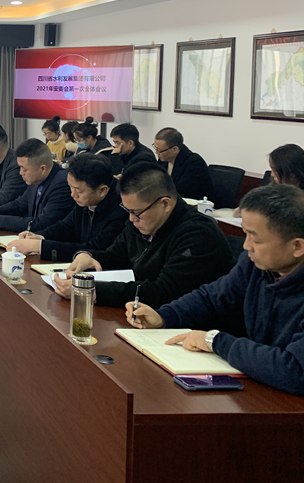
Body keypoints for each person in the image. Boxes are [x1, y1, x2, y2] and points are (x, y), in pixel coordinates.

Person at [127, 185, 304, 396]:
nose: (246, 246)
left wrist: (216, 341)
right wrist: (164, 316)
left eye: (256, 239)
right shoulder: (255, 265)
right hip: (264, 388)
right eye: (245, 234)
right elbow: (211, 298)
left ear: (297, 247)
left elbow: (296, 371)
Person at [53, 162, 233, 308]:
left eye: (136, 212)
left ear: (165, 204)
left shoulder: (199, 235)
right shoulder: (140, 221)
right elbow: (116, 256)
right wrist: (89, 256)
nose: (131, 219)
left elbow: (163, 292)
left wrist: (89, 290)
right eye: (128, 210)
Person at [4, 155, 127, 261]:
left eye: (78, 190)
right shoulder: (86, 198)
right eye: (70, 187)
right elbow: (66, 227)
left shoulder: (122, 210)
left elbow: (95, 249)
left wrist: (39, 246)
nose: (72, 194)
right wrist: (40, 237)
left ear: (102, 190)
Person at [0, 139, 74, 233]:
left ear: (42, 169)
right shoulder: (36, 178)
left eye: (24, 169)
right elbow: (19, 205)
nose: (20, 173)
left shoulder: (62, 183)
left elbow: (42, 223)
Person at [153, 127, 212, 200]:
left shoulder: (194, 163)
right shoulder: (163, 160)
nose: (156, 153)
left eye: (159, 150)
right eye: (156, 148)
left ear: (174, 149)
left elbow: (182, 191)